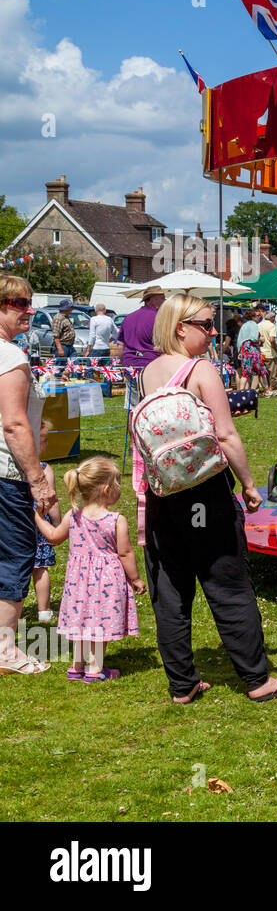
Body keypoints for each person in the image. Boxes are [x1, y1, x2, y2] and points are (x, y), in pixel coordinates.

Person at [140, 294, 277, 704]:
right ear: (180, 327)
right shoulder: (200, 369)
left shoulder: (147, 372)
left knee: (170, 589)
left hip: (163, 492)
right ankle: (258, 680)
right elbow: (225, 435)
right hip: (205, 491)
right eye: (206, 324)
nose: (214, 332)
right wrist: (248, 484)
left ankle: (182, 684)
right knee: (227, 583)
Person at [37, 457, 142, 682]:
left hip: (78, 581)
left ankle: (77, 667)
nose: (119, 490)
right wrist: (135, 578)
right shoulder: (116, 520)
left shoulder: (73, 516)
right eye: (117, 484)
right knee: (99, 623)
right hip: (106, 580)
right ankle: (95, 669)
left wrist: (36, 516)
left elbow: (54, 537)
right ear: (106, 489)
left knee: (81, 620)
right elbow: (125, 553)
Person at [0, 276, 53, 675]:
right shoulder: (10, 357)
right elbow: (15, 425)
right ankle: (5, 650)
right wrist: (37, 480)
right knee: (16, 556)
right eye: (21, 303)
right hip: (7, 474)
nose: (29, 310)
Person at [31, 420, 61, 623]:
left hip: (15, 524)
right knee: (40, 569)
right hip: (39, 525)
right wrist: (57, 525)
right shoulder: (44, 469)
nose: (47, 445)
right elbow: (51, 501)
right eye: (44, 441)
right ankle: (44, 610)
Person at [119, 285, 166, 371]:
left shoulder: (128, 318)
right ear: (153, 300)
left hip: (129, 366)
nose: (165, 301)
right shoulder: (160, 318)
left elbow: (120, 345)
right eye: (162, 298)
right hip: (152, 366)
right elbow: (167, 344)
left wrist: (123, 365)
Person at [236, 306, 267, 394]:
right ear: (253, 317)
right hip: (251, 349)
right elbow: (254, 338)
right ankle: (266, 390)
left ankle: (241, 391)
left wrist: (239, 351)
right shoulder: (254, 324)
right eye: (257, 316)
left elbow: (239, 340)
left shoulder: (244, 325)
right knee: (259, 370)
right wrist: (261, 339)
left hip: (244, 349)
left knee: (245, 373)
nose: (259, 317)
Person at [258, 305, 277, 394]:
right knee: (272, 373)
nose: (274, 319)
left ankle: (266, 389)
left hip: (260, 352)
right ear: (271, 318)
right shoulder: (271, 326)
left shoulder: (259, 324)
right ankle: (274, 389)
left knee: (262, 373)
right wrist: (276, 348)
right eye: (274, 318)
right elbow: (272, 339)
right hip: (270, 352)